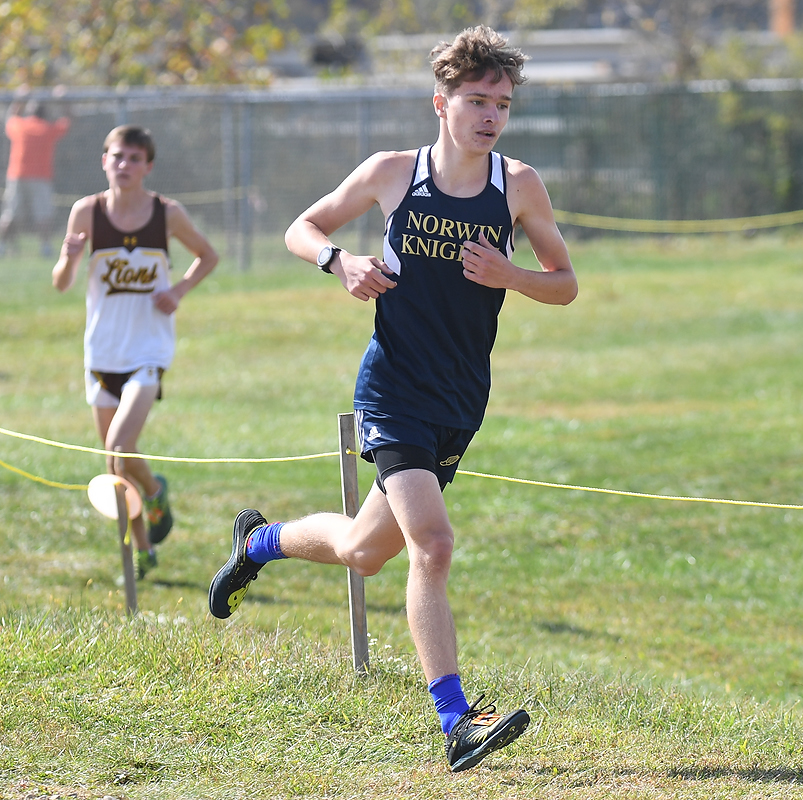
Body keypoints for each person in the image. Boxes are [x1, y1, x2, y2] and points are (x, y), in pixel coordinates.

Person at [208, 25, 578, 773]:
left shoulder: (519, 185)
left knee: (362, 550)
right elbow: (301, 227)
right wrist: (338, 260)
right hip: (394, 386)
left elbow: (564, 282)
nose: (490, 116)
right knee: (433, 544)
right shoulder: (392, 174)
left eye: (501, 104)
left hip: (460, 398)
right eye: (476, 100)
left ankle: (256, 542)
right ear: (439, 102)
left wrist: (513, 277)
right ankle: (456, 719)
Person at [53, 125, 218, 578]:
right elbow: (62, 282)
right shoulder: (86, 212)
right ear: (103, 161)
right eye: (116, 156)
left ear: (147, 166)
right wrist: (68, 257)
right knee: (114, 460)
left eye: (133, 158)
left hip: (148, 350)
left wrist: (179, 289)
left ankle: (151, 500)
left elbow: (207, 255)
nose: (123, 165)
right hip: (101, 353)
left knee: (120, 445)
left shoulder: (165, 213)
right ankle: (144, 543)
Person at [0, 85, 71, 259]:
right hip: (41, 178)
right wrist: (64, 100)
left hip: (17, 175)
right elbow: (68, 122)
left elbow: (10, 117)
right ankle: (45, 247)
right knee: (43, 214)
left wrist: (19, 99)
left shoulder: (20, 126)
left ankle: (0, 246)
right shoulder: (48, 129)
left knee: (10, 214)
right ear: (45, 114)